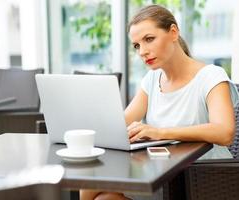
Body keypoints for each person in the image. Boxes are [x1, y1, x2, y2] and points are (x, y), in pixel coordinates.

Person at [80, 4, 239, 200]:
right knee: (94, 186)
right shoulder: (151, 80)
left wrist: (159, 132)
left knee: (96, 184)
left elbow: (224, 132)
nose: (142, 51)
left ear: (173, 32)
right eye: (137, 45)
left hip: (201, 178)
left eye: (149, 39)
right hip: (159, 173)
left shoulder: (211, 76)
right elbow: (121, 123)